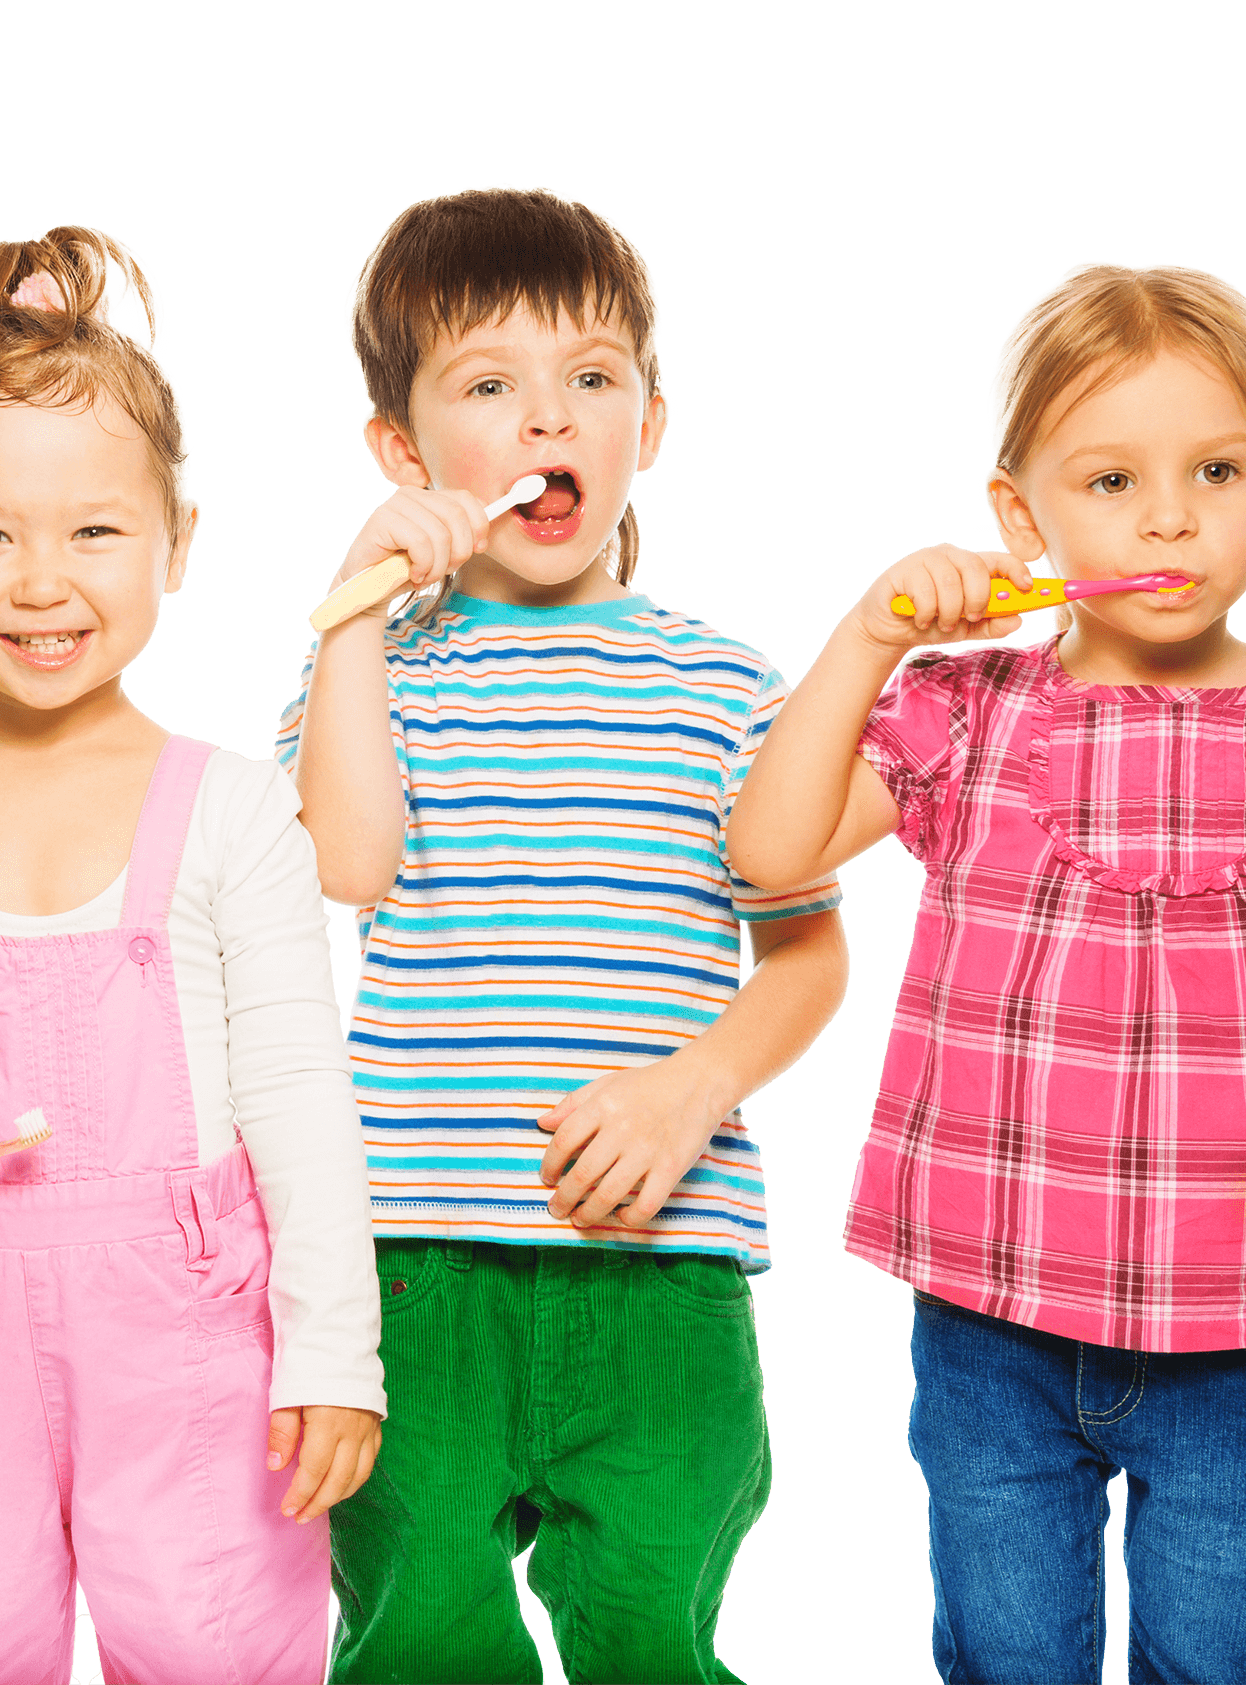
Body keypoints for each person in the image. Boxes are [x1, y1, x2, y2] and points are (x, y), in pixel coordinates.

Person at [730, 260, 1246, 1684]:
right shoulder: (960, 711)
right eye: (1111, 479)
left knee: (1228, 1654)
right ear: (1021, 515)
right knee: (1005, 1657)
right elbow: (767, 854)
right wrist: (867, 638)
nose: (1171, 516)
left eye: (1217, 470)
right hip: (993, 1315)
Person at [0, 226, 385, 1685]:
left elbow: (299, 1100)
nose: (44, 581)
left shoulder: (232, 811)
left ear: (178, 539)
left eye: (95, 530)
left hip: (191, 1364)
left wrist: (332, 1356)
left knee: (220, 1646)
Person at [276, 183, 849, 1685]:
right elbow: (345, 860)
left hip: (662, 1269)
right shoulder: (377, 678)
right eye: (490, 388)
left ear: (650, 418)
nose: (550, 425)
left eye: (591, 381)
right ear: (403, 452)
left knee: (658, 1630)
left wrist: (693, 1088)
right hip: (414, 1263)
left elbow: (808, 947)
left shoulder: (729, 690)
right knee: (415, 1640)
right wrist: (349, 619)